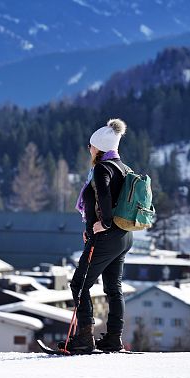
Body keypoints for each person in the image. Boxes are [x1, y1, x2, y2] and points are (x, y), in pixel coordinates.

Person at [61, 118, 134, 353]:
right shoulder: (124, 167)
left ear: (100, 147)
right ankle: (114, 338)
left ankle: (84, 337)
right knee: (114, 287)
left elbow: (103, 194)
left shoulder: (102, 168)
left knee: (79, 284)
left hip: (106, 237)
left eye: (91, 145)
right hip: (124, 237)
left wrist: (104, 223)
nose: (89, 149)